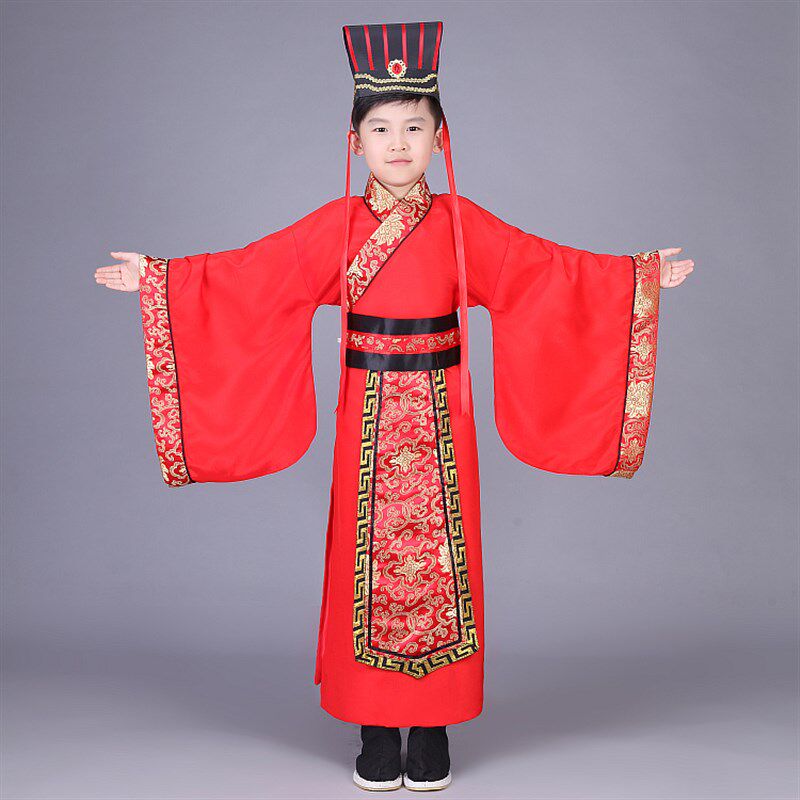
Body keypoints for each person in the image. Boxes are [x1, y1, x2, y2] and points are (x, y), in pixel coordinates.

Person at [93, 19, 694, 793]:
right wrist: (161, 279)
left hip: (444, 415)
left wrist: (631, 278)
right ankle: (376, 728)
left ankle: (434, 727)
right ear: (355, 143)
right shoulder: (334, 227)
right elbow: (251, 276)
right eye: (381, 128)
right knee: (363, 561)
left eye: (415, 127)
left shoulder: (464, 225)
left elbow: (546, 273)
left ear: (441, 138)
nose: (399, 143)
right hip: (366, 416)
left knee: (446, 564)